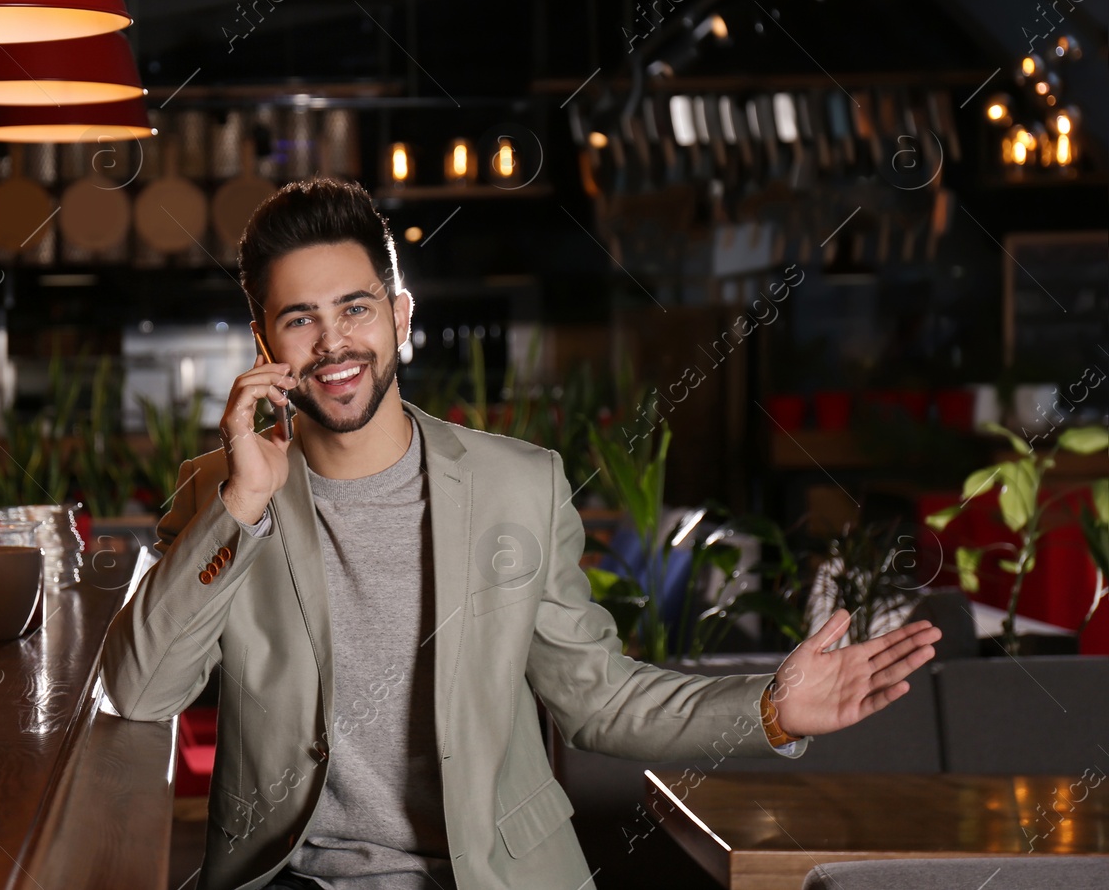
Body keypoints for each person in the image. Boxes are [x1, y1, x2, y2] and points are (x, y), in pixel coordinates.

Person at [99, 177, 941, 890]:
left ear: (399, 316)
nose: (333, 343)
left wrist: (767, 709)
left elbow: (596, 698)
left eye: (355, 308)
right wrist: (244, 501)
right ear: (264, 344)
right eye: (300, 319)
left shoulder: (517, 484)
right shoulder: (221, 495)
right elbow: (139, 692)